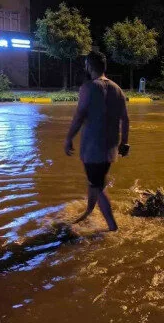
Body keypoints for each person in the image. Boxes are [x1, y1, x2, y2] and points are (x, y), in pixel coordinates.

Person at [65, 51, 130, 231]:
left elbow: (79, 116)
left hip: (93, 149)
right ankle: (89, 211)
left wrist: (69, 138)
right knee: (94, 181)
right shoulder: (117, 89)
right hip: (110, 150)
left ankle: (112, 228)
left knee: (98, 185)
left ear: (89, 66)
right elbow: (125, 119)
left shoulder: (88, 87)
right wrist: (124, 143)